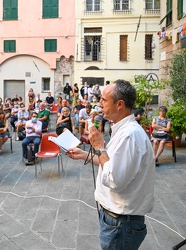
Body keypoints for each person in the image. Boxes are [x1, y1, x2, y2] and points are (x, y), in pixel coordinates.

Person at [66, 79, 155, 250]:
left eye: (104, 100)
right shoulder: (123, 130)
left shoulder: (130, 135)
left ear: (120, 104)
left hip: (120, 224)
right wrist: (83, 154)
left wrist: (99, 146)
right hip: (116, 220)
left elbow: (114, 179)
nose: (99, 103)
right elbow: (111, 164)